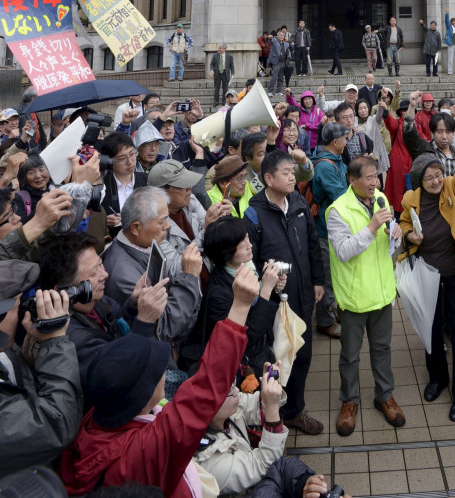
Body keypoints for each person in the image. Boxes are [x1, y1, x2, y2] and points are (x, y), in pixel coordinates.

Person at [59, 264, 261, 496]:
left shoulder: (98, 420)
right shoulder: (144, 452)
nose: (165, 374)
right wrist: (240, 307)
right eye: (158, 372)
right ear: (141, 394)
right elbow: (206, 389)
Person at [399, 132, 455, 421]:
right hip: (428, 274)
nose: (436, 181)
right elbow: (402, 225)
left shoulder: (454, 188)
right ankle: (437, 378)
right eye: (429, 178)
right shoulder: (410, 199)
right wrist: (408, 235)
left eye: (438, 174)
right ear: (419, 181)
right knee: (432, 329)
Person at [246, 150, 325, 435]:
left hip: (302, 294)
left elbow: (312, 243)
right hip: (272, 302)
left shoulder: (298, 202)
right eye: (286, 173)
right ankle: (271, 414)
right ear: (268, 178)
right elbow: (250, 260)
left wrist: (318, 280)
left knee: (302, 353)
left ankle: (294, 411)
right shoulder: (254, 211)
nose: (293, 177)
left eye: (294, 172)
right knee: (276, 357)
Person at [328, 156, 405, 436]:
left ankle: (385, 396)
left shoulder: (381, 199)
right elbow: (344, 251)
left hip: (383, 293)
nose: (375, 182)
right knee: (350, 355)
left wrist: (395, 233)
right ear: (352, 180)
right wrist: (372, 227)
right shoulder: (337, 210)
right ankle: (349, 401)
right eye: (369, 177)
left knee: (382, 350)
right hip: (354, 298)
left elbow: (389, 246)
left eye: (376, 177)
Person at [37, 233, 169, 386]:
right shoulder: (70, 338)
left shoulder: (97, 301)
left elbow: (119, 320)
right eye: (93, 273)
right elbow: (116, 374)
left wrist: (133, 305)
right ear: (64, 290)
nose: (105, 274)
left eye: (100, 264)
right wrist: (144, 323)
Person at [0, 260, 83, 477]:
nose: (21, 315)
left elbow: (17, 403)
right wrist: (56, 341)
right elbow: (56, 423)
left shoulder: (5, 353)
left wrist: (26, 360)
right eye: (16, 307)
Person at [102, 187, 203, 346]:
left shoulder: (143, 244)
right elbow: (164, 327)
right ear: (135, 228)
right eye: (161, 221)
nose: (168, 226)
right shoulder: (123, 276)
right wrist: (189, 277)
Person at [201, 217, 285, 376]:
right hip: (244, 369)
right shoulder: (218, 294)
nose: (250, 245)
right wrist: (266, 288)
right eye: (242, 243)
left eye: (247, 237)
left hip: (262, 354)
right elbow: (249, 336)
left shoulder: (248, 268)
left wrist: (275, 286)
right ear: (226, 252)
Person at [194, 361, 288, 494]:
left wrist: (269, 386)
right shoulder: (210, 462)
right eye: (230, 390)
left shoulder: (224, 410)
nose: (237, 390)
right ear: (209, 406)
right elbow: (262, 465)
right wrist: (272, 408)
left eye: (233, 383)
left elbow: (254, 405)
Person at [311, 123, 350, 339]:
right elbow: (340, 196)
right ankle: (325, 321)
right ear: (335, 142)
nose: (347, 141)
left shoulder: (335, 159)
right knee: (326, 275)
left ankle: (333, 310)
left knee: (334, 273)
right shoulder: (326, 166)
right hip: (324, 229)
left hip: (332, 227)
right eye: (345, 138)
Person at [99, 132, 149, 237]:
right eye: (122, 158)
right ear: (109, 161)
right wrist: (104, 221)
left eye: (132, 154)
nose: (130, 162)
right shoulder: (101, 188)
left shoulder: (147, 181)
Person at [404, 93, 455, 176]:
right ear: (432, 133)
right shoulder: (423, 149)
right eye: (439, 131)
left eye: (448, 132)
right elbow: (409, 133)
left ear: (453, 133)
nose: (444, 137)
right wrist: (411, 106)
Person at [12, 154, 52, 223]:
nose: (38, 176)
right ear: (24, 177)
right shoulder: (20, 198)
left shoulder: (58, 189)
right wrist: (40, 208)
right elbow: (20, 223)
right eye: (31, 173)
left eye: (41, 170)